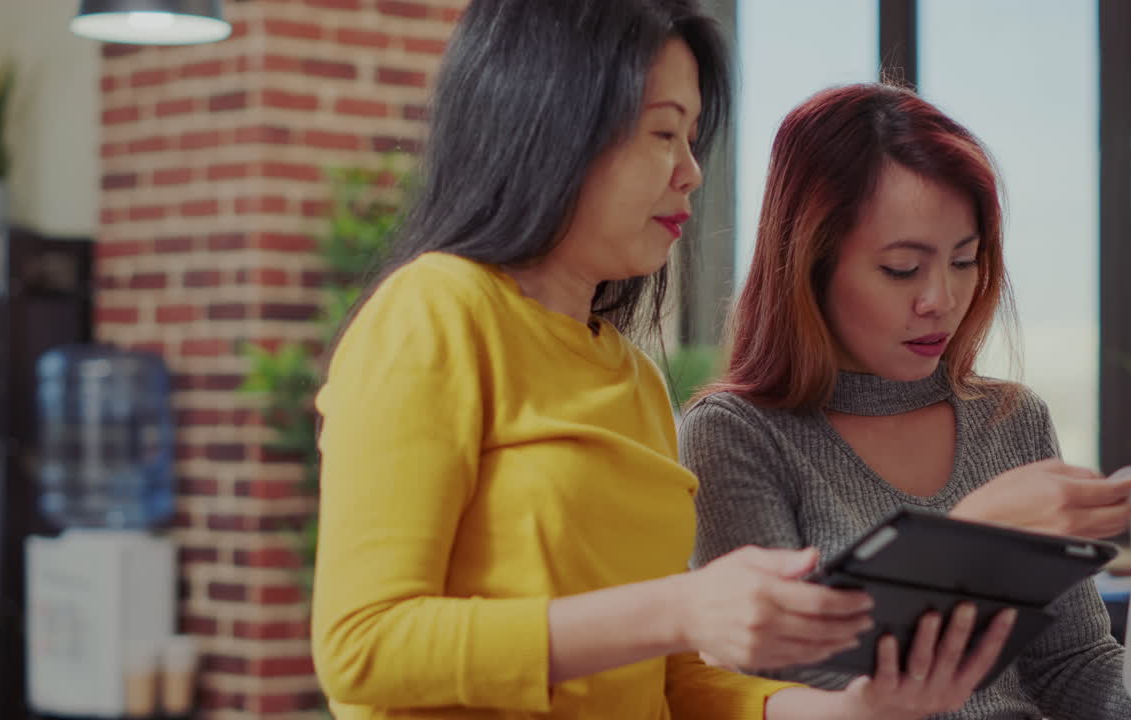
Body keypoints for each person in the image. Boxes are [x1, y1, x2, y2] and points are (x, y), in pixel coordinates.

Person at [306, 5, 990, 719]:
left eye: (693, 140)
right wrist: (678, 606)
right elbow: (362, 648)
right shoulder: (436, 311)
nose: (691, 173)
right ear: (551, 126)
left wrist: (852, 711)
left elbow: (668, 681)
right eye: (664, 132)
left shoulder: (633, 377)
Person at [680, 83, 1131, 720]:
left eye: (965, 260)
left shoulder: (1011, 420)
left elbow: (1074, 667)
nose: (942, 300)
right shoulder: (738, 434)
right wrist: (971, 539)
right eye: (903, 268)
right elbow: (786, 684)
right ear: (809, 264)